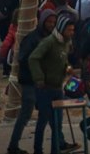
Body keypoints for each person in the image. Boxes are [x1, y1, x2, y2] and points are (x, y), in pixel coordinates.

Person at [8, 10, 58, 154]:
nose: (51, 25)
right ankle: (13, 146)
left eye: (53, 23)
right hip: (30, 81)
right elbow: (24, 58)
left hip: (42, 82)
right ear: (43, 21)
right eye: (49, 22)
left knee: (45, 115)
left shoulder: (49, 38)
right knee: (26, 113)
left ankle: (48, 146)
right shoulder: (33, 38)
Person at [29, 15, 76, 154]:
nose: (71, 33)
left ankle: (55, 150)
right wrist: (39, 78)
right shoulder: (49, 42)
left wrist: (67, 67)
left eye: (73, 30)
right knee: (43, 121)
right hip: (45, 89)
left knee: (57, 124)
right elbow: (33, 58)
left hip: (57, 88)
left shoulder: (66, 43)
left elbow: (63, 59)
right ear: (61, 29)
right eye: (69, 30)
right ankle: (38, 150)